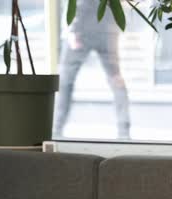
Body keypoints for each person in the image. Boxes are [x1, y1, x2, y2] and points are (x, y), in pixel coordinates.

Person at [54, 0, 130, 139]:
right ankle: (124, 131)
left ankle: (56, 128)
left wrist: (72, 29)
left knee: (65, 80)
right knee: (116, 79)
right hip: (107, 28)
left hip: (83, 28)